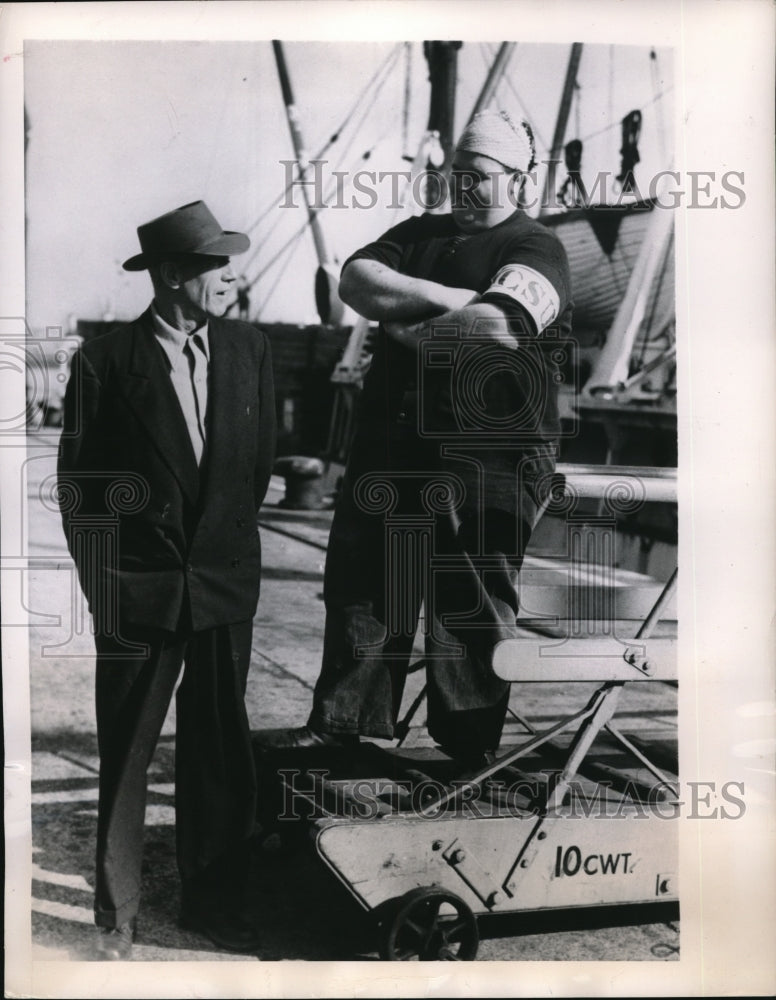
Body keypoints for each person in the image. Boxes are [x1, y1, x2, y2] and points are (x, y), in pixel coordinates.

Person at [262, 110, 573, 768]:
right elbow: (356, 281)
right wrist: (449, 295)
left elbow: (500, 326)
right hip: (393, 442)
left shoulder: (537, 246)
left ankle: (467, 747)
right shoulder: (418, 233)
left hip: (492, 453)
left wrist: (411, 326)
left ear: (519, 180)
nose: (461, 187)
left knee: (471, 594)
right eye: (457, 173)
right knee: (365, 579)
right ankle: (341, 723)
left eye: (477, 176)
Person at [57, 200, 276, 958]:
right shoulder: (104, 362)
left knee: (219, 751)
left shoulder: (250, 350)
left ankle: (212, 904)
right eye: (217, 265)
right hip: (139, 594)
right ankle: (117, 915)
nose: (231, 277)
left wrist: (222, 551)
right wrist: (108, 589)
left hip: (222, 588)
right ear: (175, 275)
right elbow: (80, 491)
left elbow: (254, 471)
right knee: (126, 755)